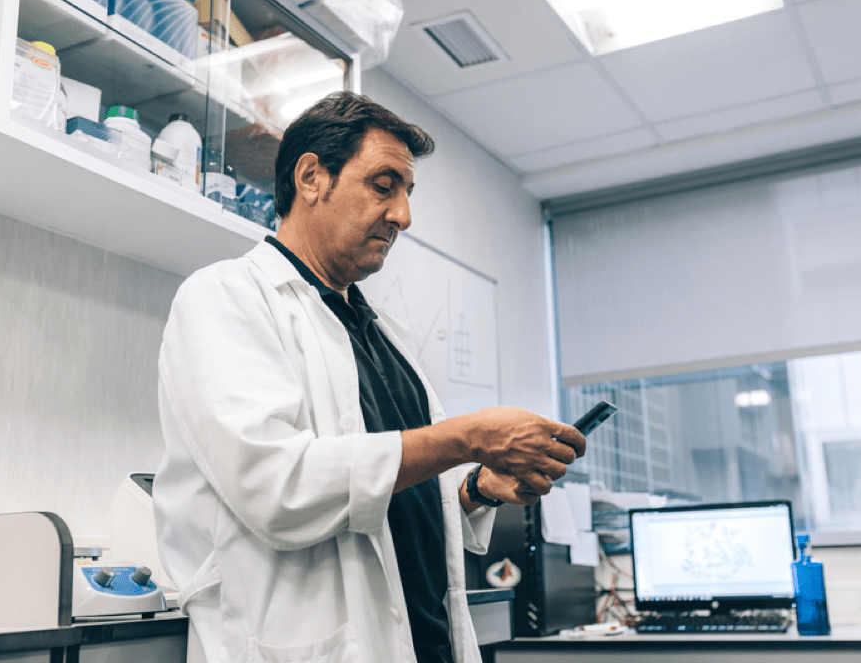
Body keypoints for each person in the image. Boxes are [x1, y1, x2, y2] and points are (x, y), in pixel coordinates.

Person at [152, 91, 586, 663]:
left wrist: (475, 490)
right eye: (384, 186)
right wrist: (467, 436)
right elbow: (277, 488)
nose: (403, 215)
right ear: (311, 178)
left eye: (407, 193)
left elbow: (393, 504)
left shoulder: (387, 334)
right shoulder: (225, 297)